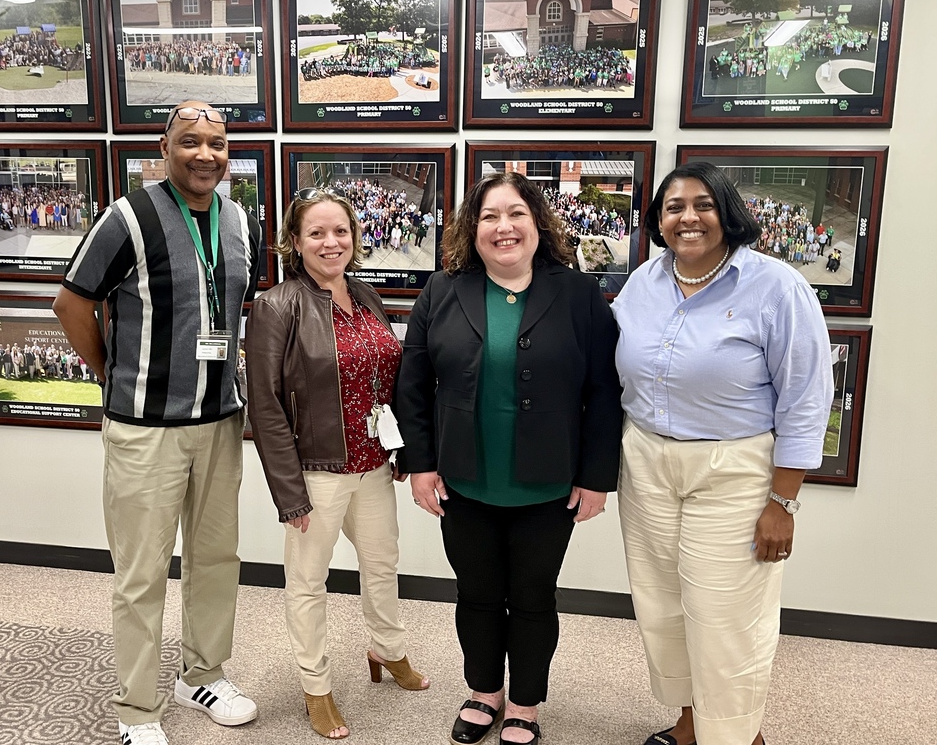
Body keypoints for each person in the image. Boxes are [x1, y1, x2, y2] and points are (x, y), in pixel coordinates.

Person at [53, 101, 261, 745]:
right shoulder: (127, 217)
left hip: (220, 422)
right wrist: (112, 373)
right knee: (142, 572)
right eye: (191, 141)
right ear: (165, 146)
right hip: (145, 428)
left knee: (215, 558)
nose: (206, 154)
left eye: (218, 143)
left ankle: (201, 674)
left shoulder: (236, 219)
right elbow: (71, 303)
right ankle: (137, 710)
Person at [396, 173, 623, 745]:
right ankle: (482, 693)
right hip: (464, 481)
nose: (504, 227)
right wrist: (420, 465)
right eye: (490, 216)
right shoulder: (442, 290)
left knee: (532, 598)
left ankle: (524, 702)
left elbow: (604, 391)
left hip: (547, 485)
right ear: (472, 229)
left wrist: (596, 478)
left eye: (516, 213)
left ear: (536, 223)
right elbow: (413, 386)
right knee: (474, 595)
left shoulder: (577, 294)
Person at [611, 162, 832, 745]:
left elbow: (806, 399)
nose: (688, 217)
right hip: (645, 464)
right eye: (674, 206)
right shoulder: (643, 283)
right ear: (658, 221)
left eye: (703, 204)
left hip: (733, 471)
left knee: (726, 618)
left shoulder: (776, 286)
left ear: (727, 212)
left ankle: (736, 736)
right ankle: (688, 723)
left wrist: (782, 501)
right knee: (662, 607)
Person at [246, 187, 428, 741]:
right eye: (317, 233)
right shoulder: (277, 306)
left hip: (373, 466)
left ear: (355, 236)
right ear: (294, 241)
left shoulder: (366, 295)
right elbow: (266, 405)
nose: (332, 242)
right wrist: (288, 492)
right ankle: (316, 686)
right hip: (316, 473)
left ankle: (387, 650)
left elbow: (387, 377)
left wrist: (399, 448)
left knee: (382, 566)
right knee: (308, 582)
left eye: (341, 231)